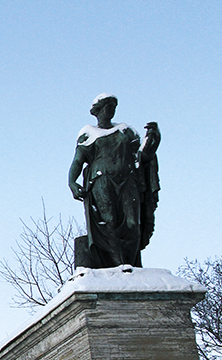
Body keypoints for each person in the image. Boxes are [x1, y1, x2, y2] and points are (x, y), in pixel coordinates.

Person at [68, 94, 160, 269]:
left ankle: (129, 262)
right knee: (108, 220)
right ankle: (117, 264)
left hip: (128, 180)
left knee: (133, 223)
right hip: (101, 180)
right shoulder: (88, 133)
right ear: (98, 111)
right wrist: (72, 182)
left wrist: (153, 138)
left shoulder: (125, 130)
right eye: (108, 107)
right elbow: (77, 161)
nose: (111, 110)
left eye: (113, 107)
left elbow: (142, 155)